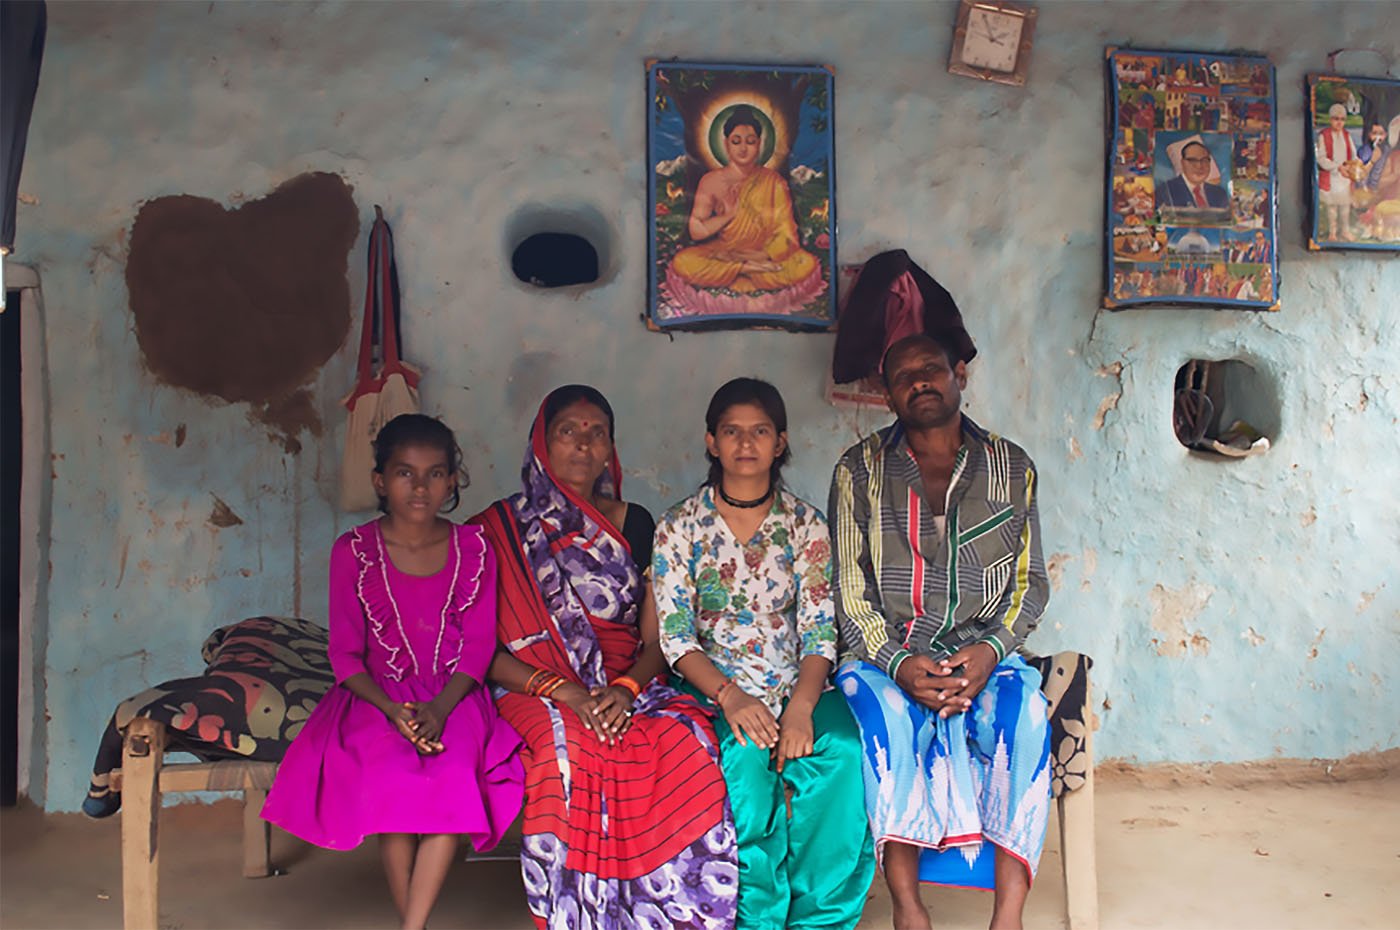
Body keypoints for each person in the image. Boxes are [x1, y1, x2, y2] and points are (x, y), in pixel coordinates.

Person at [471, 385, 738, 930]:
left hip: (627, 684)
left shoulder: (637, 524)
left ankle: (675, 913)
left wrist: (628, 689)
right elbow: (482, 653)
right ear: (541, 444)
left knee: (684, 741)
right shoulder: (496, 531)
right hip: (535, 686)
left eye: (598, 433)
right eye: (569, 430)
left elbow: (659, 638)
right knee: (568, 752)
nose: (584, 444)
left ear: (612, 447)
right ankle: (576, 916)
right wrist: (563, 690)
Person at [261, 414, 524, 930]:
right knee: (390, 775)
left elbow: (477, 649)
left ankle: (411, 927)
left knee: (453, 776)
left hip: (454, 697)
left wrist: (439, 709)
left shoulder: (475, 550)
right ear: (381, 481)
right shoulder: (354, 552)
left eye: (436, 473)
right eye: (406, 473)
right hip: (375, 697)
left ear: (452, 480)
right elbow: (346, 656)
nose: (421, 486)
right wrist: (393, 711)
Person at [829, 334, 1051, 930]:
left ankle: (1009, 915)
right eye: (903, 376)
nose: (919, 382)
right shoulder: (859, 470)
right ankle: (909, 907)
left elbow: (1030, 584)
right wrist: (900, 665)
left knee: (1023, 720)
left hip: (985, 653)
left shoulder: (1012, 468)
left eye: (930, 369)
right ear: (888, 393)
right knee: (889, 723)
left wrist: (989, 652)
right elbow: (850, 591)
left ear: (958, 375)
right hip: (885, 657)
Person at [653, 378, 876, 930]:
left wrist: (801, 707)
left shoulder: (805, 526)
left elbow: (821, 628)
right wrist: (730, 698)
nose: (745, 443)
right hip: (714, 685)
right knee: (745, 763)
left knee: (841, 753)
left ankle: (820, 919)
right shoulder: (679, 527)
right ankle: (755, 918)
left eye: (760, 431)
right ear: (711, 441)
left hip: (798, 680)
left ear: (780, 442)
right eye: (731, 431)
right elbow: (676, 638)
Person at [666, 106, 823, 313]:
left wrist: (760, 255)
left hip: (762, 256)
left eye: (750, 141)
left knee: (805, 263)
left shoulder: (773, 181)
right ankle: (746, 269)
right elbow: (696, 229)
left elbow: (787, 234)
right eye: (736, 141)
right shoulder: (712, 181)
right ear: (725, 144)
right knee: (684, 261)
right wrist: (728, 216)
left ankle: (740, 268)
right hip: (726, 250)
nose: (743, 148)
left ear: (759, 145)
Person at [1316, 103, 1357, 241]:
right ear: (1330, 119)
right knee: (1332, 206)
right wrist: (1337, 167)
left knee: (1345, 206)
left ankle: (1345, 230)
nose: (1339, 122)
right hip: (1331, 176)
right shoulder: (1324, 135)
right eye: (1336, 119)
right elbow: (1321, 158)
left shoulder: (1347, 135)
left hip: (1345, 177)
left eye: (1342, 119)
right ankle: (1332, 232)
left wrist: (1353, 166)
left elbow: (1353, 155)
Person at [1156, 139, 1230, 210]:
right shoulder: (1165, 192)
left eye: (1204, 160)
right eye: (1192, 160)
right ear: (1183, 163)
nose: (1199, 166)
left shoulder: (1219, 193)